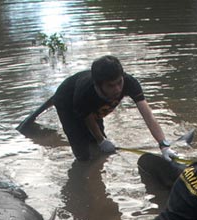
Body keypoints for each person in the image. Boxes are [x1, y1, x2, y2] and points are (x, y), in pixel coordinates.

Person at [24, 55, 177, 162]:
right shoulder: (85, 92)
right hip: (67, 102)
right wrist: (101, 140)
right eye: (111, 85)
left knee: (100, 151)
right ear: (98, 85)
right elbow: (88, 118)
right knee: (83, 154)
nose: (117, 89)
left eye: (119, 82)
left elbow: (147, 114)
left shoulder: (129, 82)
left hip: (95, 106)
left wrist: (163, 144)